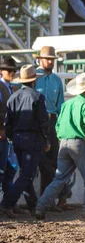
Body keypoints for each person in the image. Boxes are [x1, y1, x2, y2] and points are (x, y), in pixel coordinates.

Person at [35, 73, 85, 220]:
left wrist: (61, 139)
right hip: (79, 143)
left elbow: (58, 125)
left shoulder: (66, 104)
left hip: (63, 143)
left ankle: (41, 206)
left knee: (59, 178)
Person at [0, 65, 49, 218]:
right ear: (33, 81)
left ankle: (32, 204)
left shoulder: (13, 96)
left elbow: (8, 122)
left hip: (17, 139)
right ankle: (7, 203)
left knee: (25, 173)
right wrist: (46, 139)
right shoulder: (38, 97)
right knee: (27, 174)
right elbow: (43, 122)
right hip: (32, 139)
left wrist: (11, 137)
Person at [34, 46, 68, 207]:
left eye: (51, 59)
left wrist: (60, 128)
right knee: (42, 162)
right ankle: (50, 198)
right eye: (47, 59)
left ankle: (47, 199)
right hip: (37, 122)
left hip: (53, 121)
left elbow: (60, 106)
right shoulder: (34, 77)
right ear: (40, 59)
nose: (49, 62)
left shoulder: (56, 80)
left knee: (54, 161)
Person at [0, 57, 18, 208]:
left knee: (9, 170)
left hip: (8, 135)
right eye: (9, 70)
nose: (12, 72)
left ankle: (6, 204)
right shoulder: (3, 88)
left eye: (14, 70)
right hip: (3, 134)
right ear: (1, 72)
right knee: (3, 170)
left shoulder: (10, 88)